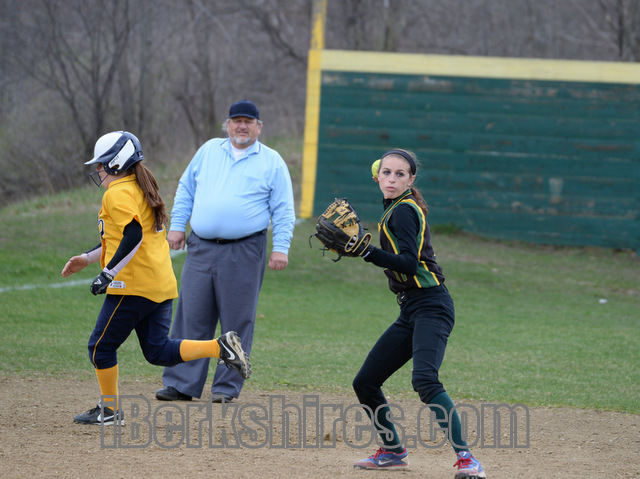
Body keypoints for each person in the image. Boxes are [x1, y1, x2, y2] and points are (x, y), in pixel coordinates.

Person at [62, 131, 251, 425]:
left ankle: (109, 411)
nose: (98, 169)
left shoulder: (117, 193)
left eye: (101, 163)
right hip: (159, 284)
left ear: (116, 163)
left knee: (100, 348)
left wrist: (107, 274)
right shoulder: (140, 186)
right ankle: (219, 347)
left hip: (133, 286)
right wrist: (87, 259)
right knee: (157, 350)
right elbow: (121, 237)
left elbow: (133, 236)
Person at [351, 149, 486, 478]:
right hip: (412, 308)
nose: (392, 179)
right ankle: (393, 452)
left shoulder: (403, 211)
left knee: (425, 379)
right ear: (377, 176)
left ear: (411, 180)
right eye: (386, 173)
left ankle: (468, 460)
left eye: (400, 174)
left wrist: (368, 252)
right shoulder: (396, 207)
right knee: (366, 382)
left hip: (432, 305)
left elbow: (409, 264)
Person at [156, 99, 296, 403]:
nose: (242, 126)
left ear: (259, 127)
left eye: (248, 122)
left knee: (237, 320)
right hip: (201, 247)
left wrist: (281, 248)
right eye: (236, 121)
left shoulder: (271, 161)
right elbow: (186, 189)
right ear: (228, 125)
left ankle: (225, 388)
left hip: (244, 250)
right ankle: (181, 383)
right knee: (191, 316)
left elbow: (284, 209)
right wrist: (177, 226)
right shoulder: (208, 150)